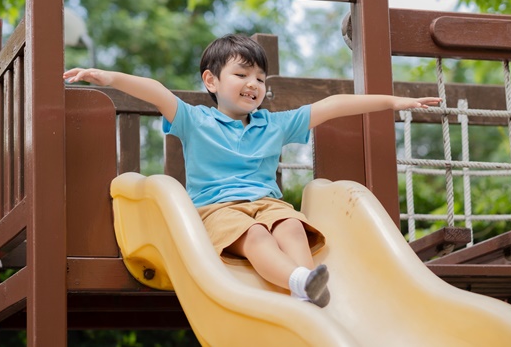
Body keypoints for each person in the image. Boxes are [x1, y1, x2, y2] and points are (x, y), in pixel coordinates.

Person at [63, 34, 441, 308]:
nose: (253, 85)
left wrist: (396, 101)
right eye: (242, 75)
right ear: (211, 81)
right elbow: (156, 90)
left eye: (260, 79)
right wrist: (106, 77)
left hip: (266, 203)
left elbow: (334, 105)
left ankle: (310, 286)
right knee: (256, 234)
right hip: (218, 210)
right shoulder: (194, 120)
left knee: (290, 224)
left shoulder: (273, 125)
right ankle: (297, 280)